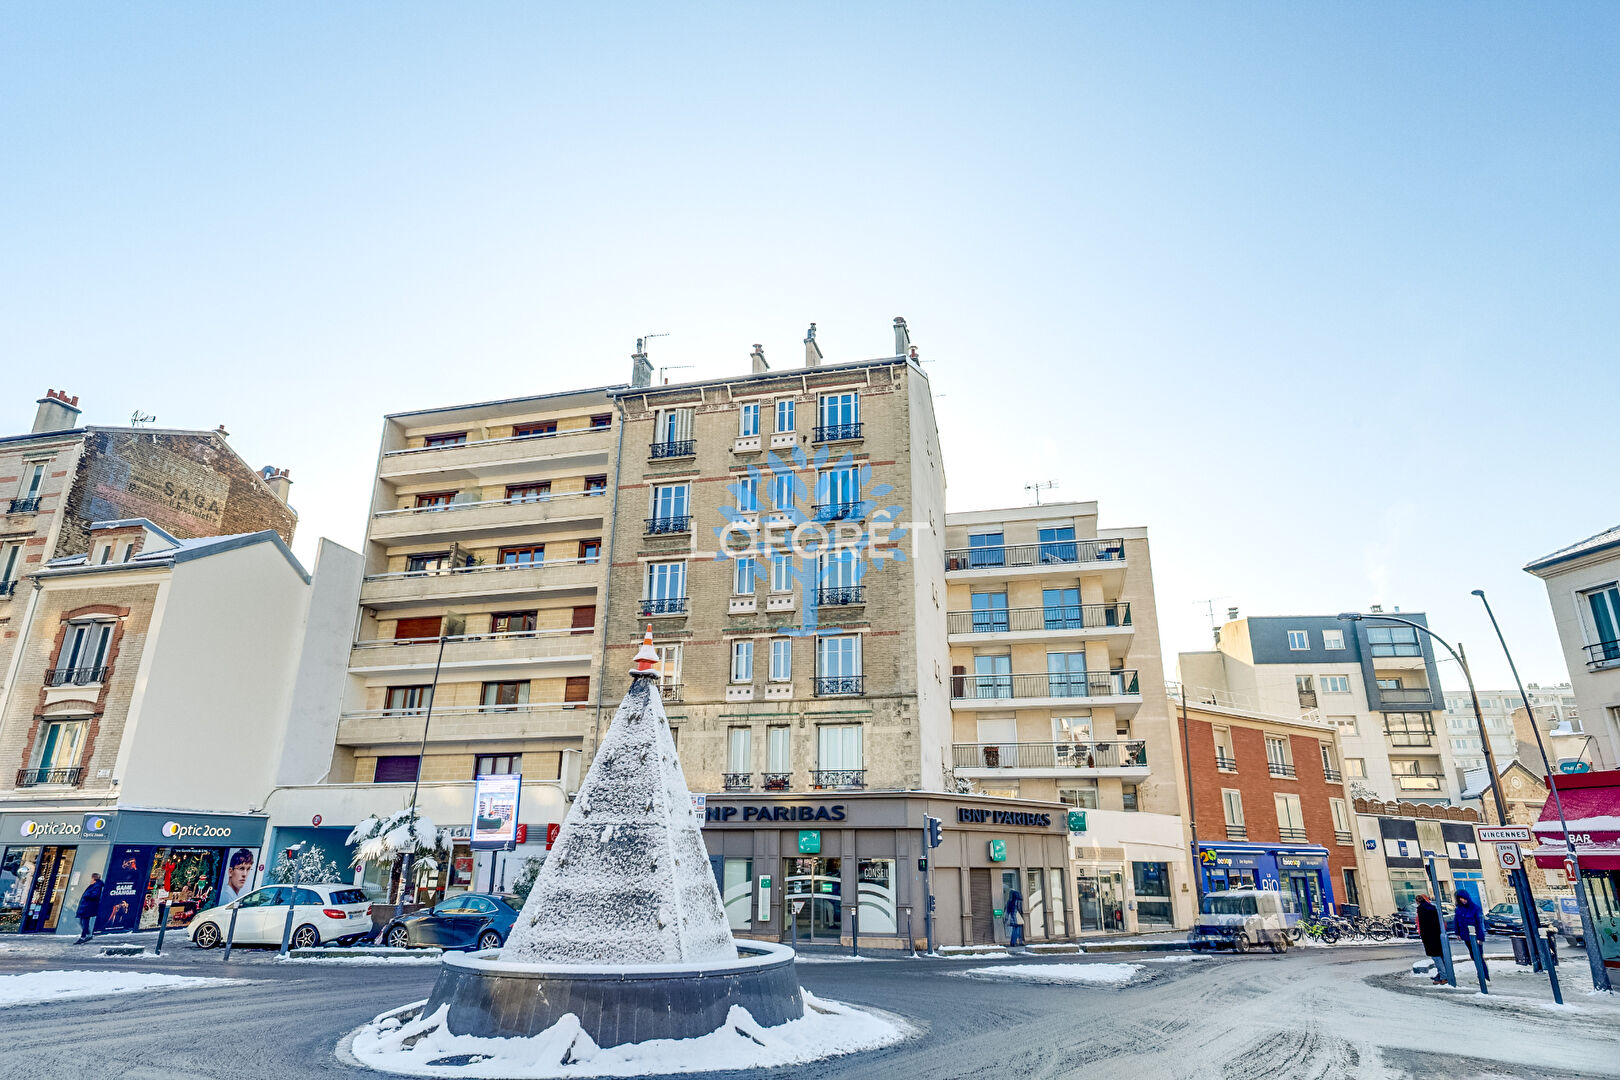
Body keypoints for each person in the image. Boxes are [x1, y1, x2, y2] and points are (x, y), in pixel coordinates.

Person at [1453, 887, 1488, 980]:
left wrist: (1480, 937)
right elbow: (1456, 921)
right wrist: (1458, 933)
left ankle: (1485, 977)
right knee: (1474, 956)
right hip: (1466, 935)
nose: (1462, 900)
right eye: (1460, 899)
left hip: (1475, 936)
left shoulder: (1475, 908)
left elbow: (1480, 923)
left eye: (1464, 898)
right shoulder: (1459, 909)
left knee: (1478, 957)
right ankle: (1481, 976)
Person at [1415, 895, 1445, 983]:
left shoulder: (1421, 909)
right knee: (1440, 955)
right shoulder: (1432, 908)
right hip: (1436, 934)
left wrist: (1422, 934)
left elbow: (1423, 924)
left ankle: (1443, 976)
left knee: (1436, 956)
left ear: (1418, 901)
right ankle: (1442, 975)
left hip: (1429, 936)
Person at [75, 873, 104, 944]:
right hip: (85, 906)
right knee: (81, 921)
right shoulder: (93, 886)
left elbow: (95, 895)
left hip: (88, 907)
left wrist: (87, 895)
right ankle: (88, 934)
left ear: (94, 879)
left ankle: (83, 936)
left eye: (91, 878)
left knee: (85, 922)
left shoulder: (97, 886)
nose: (90, 880)